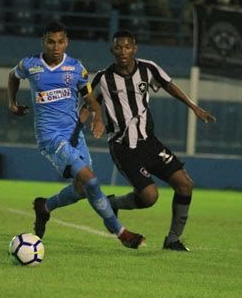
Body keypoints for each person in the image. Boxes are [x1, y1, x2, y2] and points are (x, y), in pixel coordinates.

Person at [7, 21, 145, 249]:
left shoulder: (75, 68)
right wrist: (12, 103)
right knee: (90, 179)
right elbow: (13, 75)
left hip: (73, 135)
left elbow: (90, 99)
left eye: (60, 41)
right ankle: (121, 232)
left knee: (82, 189)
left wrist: (98, 117)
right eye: (51, 41)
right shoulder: (31, 64)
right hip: (50, 137)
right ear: (44, 42)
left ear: (67, 42)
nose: (55, 46)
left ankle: (45, 207)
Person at [80, 30, 217, 252]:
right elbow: (88, 105)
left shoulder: (148, 68)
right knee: (149, 197)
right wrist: (80, 128)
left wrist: (194, 107)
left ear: (135, 48)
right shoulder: (103, 78)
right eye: (118, 47)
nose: (123, 51)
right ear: (112, 50)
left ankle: (173, 239)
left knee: (185, 184)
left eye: (127, 47)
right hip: (123, 146)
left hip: (149, 142)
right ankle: (113, 204)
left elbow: (169, 85)